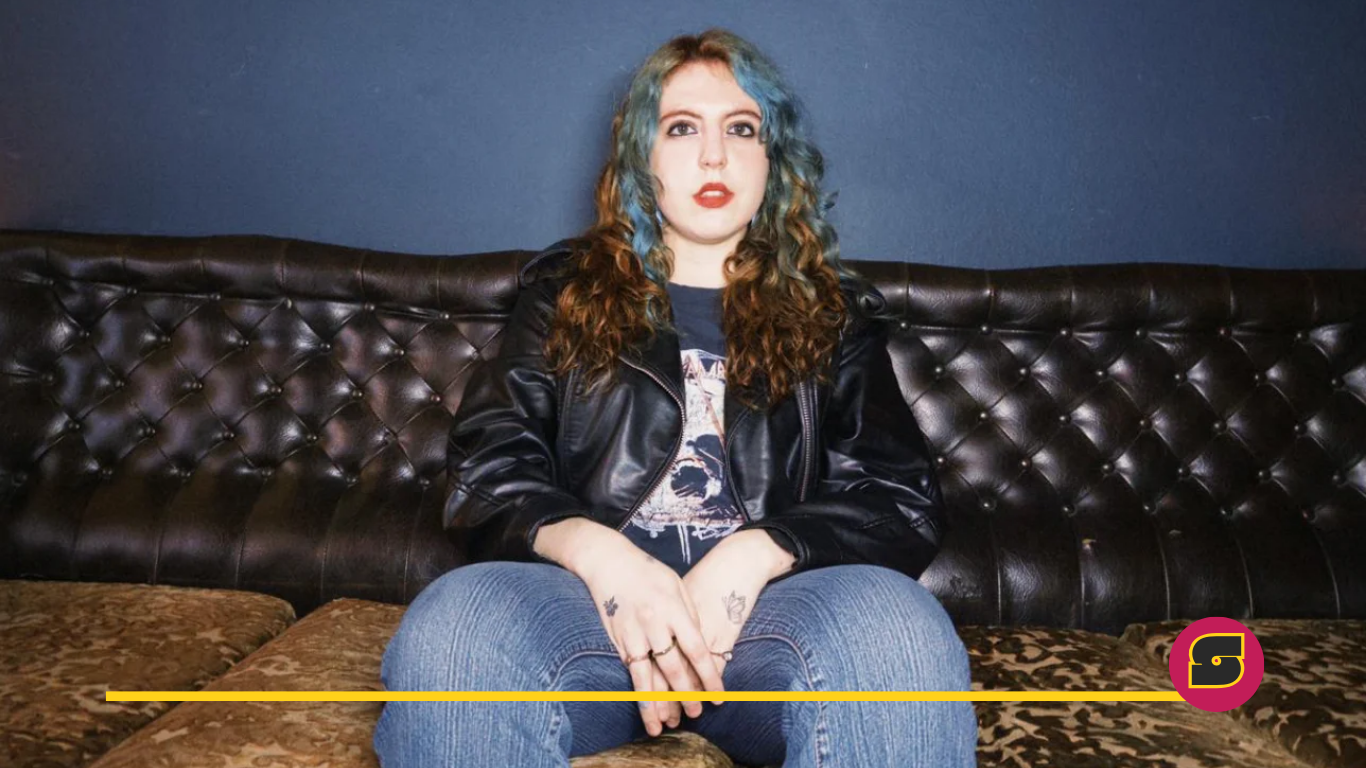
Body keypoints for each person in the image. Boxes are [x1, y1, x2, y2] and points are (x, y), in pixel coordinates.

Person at [373, 28, 977, 768]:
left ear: (772, 159)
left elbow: (899, 498)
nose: (714, 156)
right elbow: (488, 471)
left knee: (897, 627)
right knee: (459, 626)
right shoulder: (562, 293)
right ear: (643, 156)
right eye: (682, 128)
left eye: (742, 129)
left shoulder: (834, 315)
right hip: (590, 619)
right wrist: (608, 562)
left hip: (767, 629)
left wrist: (755, 554)